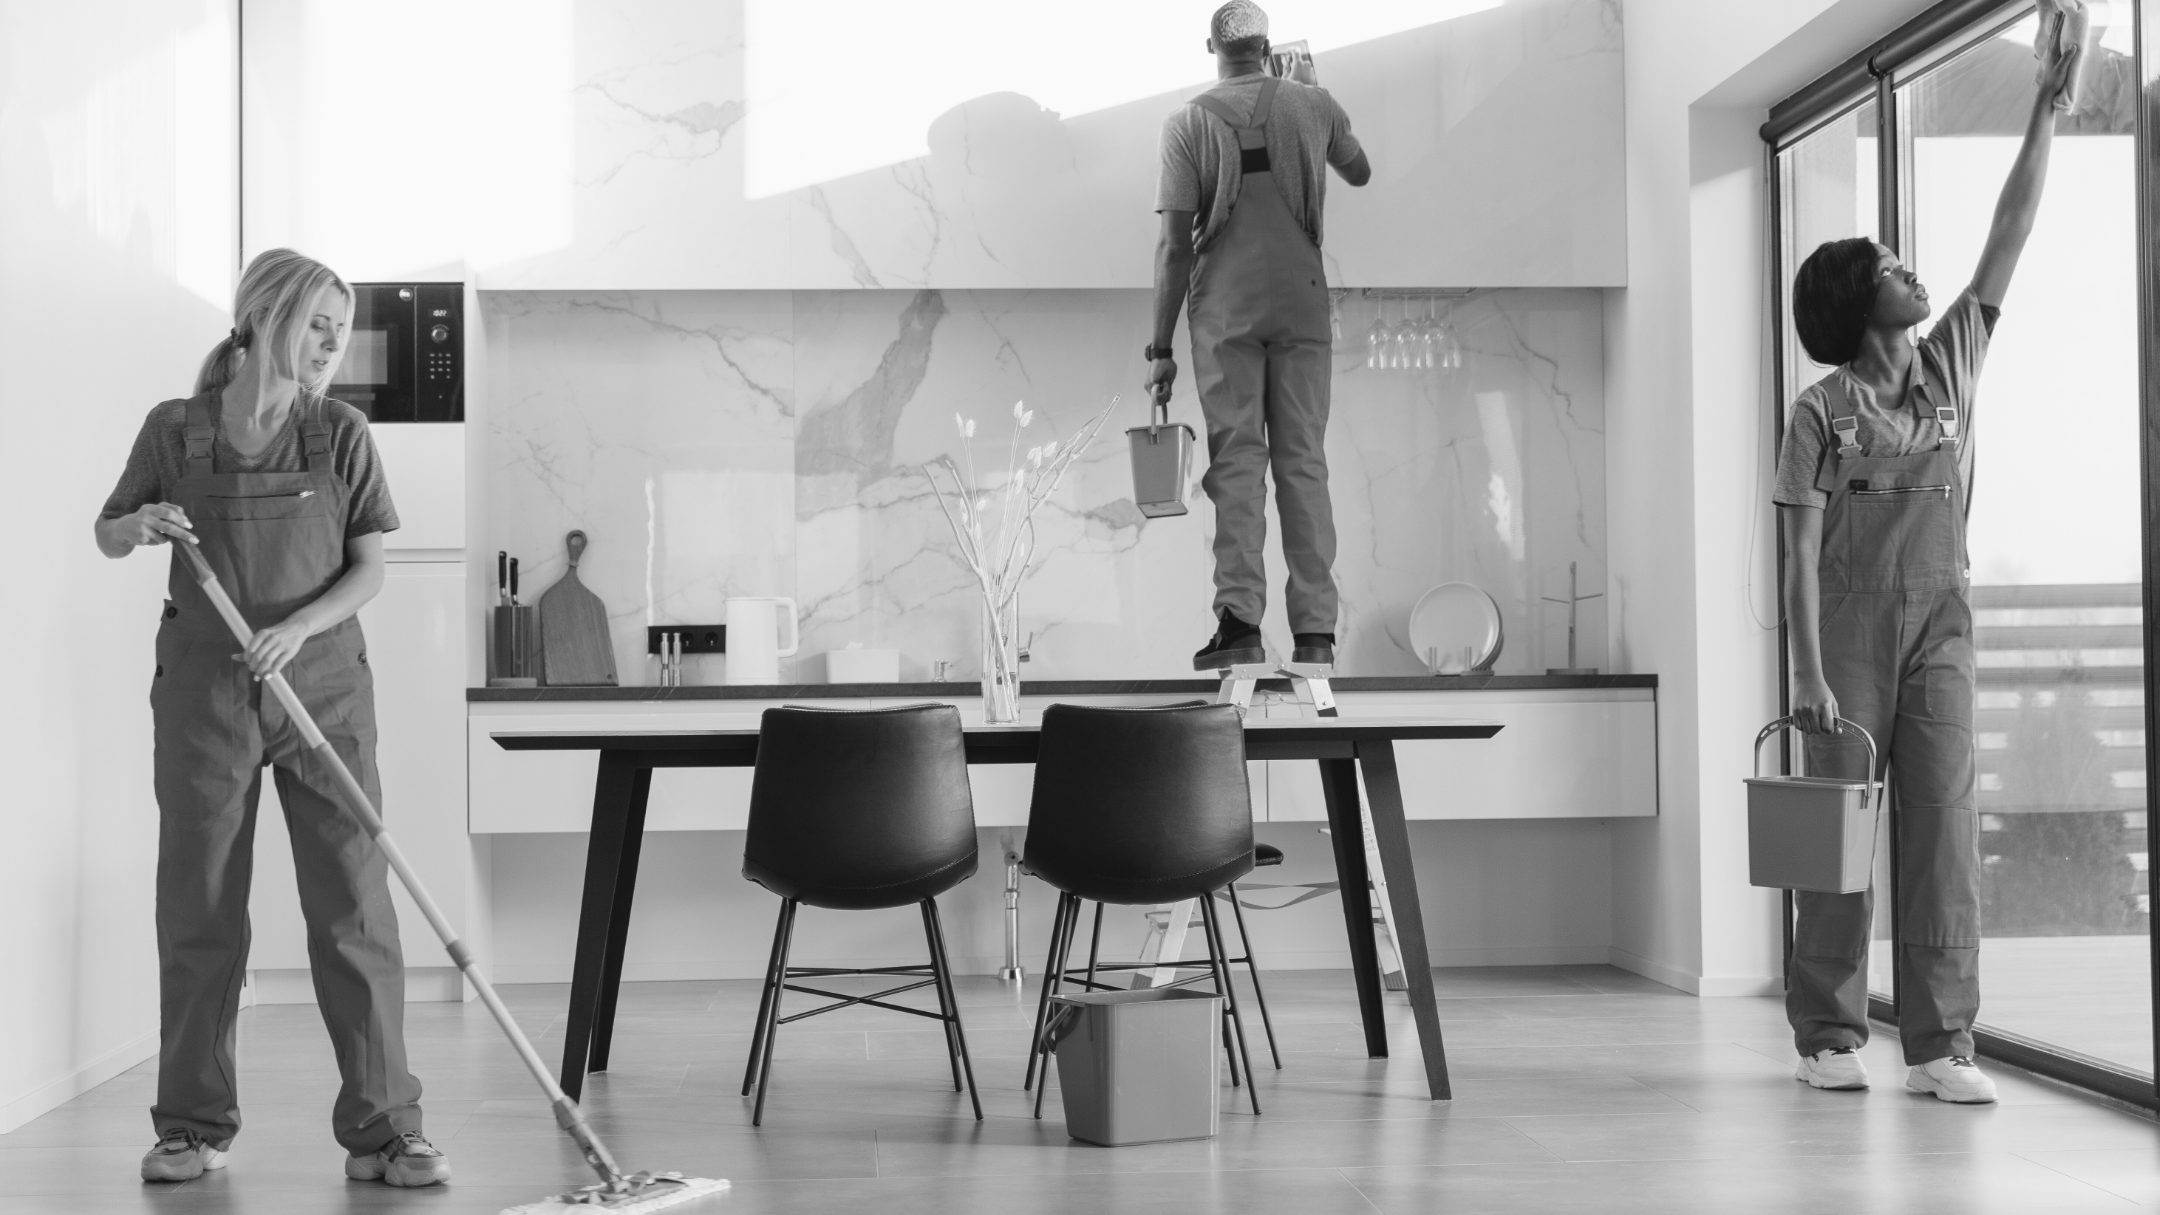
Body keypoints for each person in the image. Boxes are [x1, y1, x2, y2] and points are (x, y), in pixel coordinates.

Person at [96, 249, 450, 1186]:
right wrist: (136, 527)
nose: (333, 345)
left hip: (322, 689)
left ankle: (386, 1128)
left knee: (352, 905)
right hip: (204, 695)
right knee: (200, 906)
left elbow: (369, 569)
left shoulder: (339, 433)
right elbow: (108, 529)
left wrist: (297, 627)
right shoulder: (175, 431)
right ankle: (190, 1125)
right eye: (317, 323)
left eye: (342, 328)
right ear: (261, 317)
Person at [1773, 34, 2079, 1104]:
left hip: (1943, 624)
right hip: (1846, 639)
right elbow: (1797, 552)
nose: (1910, 271)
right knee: (1840, 833)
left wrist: (2046, 106)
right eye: (1890, 268)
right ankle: (1827, 1031)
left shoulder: (1952, 361)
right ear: (1859, 306)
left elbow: (2011, 228)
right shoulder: (1817, 413)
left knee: (1944, 830)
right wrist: (1807, 673)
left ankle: (1944, 1042)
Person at [1146, 0, 1371, 671]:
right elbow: (1359, 170)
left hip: (1226, 308)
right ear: (1269, 47)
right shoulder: (1313, 103)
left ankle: (1241, 623)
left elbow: (1173, 247)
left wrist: (1161, 350)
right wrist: (1312, 93)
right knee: (1303, 461)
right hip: (1301, 299)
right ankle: (1316, 632)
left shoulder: (1186, 123)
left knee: (1238, 462)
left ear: (1209, 47)